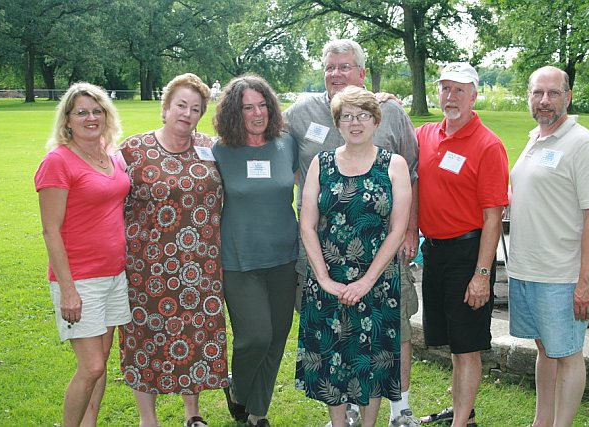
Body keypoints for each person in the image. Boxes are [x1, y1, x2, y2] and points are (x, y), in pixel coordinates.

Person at [284, 38, 421, 427]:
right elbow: (260, 125)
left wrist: (409, 232)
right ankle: (340, 419)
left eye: (345, 67)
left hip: (378, 266)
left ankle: (398, 411)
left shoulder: (391, 122)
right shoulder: (303, 118)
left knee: (382, 344)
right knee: (334, 346)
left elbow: (412, 175)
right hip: (325, 263)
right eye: (330, 67)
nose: (337, 74)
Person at [118, 73, 228, 427]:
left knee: (194, 334)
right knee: (145, 339)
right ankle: (147, 419)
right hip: (149, 266)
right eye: (181, 105)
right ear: (165, 107)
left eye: (195, 108)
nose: (187, 114)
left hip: (202, 264)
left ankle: (192, 414)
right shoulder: (133, 150)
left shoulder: (211, 148)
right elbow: (108, 198)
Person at [507, 65, 589, 426]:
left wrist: (585, 281)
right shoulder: (536, 137)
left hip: (562, 274)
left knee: (567, 354)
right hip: (527, 268)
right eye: (538, 93)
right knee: (545, 348)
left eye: (553, 93)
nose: (544, 100)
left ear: (568, 96)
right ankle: (541, 421)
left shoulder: (582, 143)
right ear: (529, 97)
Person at [416, 62, 509, 427]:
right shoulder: (425, 133)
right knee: (455, 343)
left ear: (474, 95)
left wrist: (482, 274)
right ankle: (462, 414)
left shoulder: (488, 145)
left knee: (468, 346)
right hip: (434, 252)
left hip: (469, 254)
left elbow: (493, 216)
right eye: (445, 89)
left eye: (459, 90)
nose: (451, 96)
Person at [34, 82, 131, 427]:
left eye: (97, 110)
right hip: (79, 279)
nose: (91, 117)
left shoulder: (109, 153)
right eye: (82, 112)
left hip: (114, 274)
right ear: (68, 120)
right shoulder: (57, 162)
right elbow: (50, 231)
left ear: (106, 114)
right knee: (90, 366)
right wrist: (69, 289)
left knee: (102, 361)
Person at [212, 75, 299, 427]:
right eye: (248, 107)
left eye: (262, 105)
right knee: (254, 337)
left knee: (277, 338)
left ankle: (257, 414)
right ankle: (237, 392)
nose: (257, 113)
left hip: (285, 258)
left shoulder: (287, 143)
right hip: (239, 260)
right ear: (235, 112)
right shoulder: (218, 151)